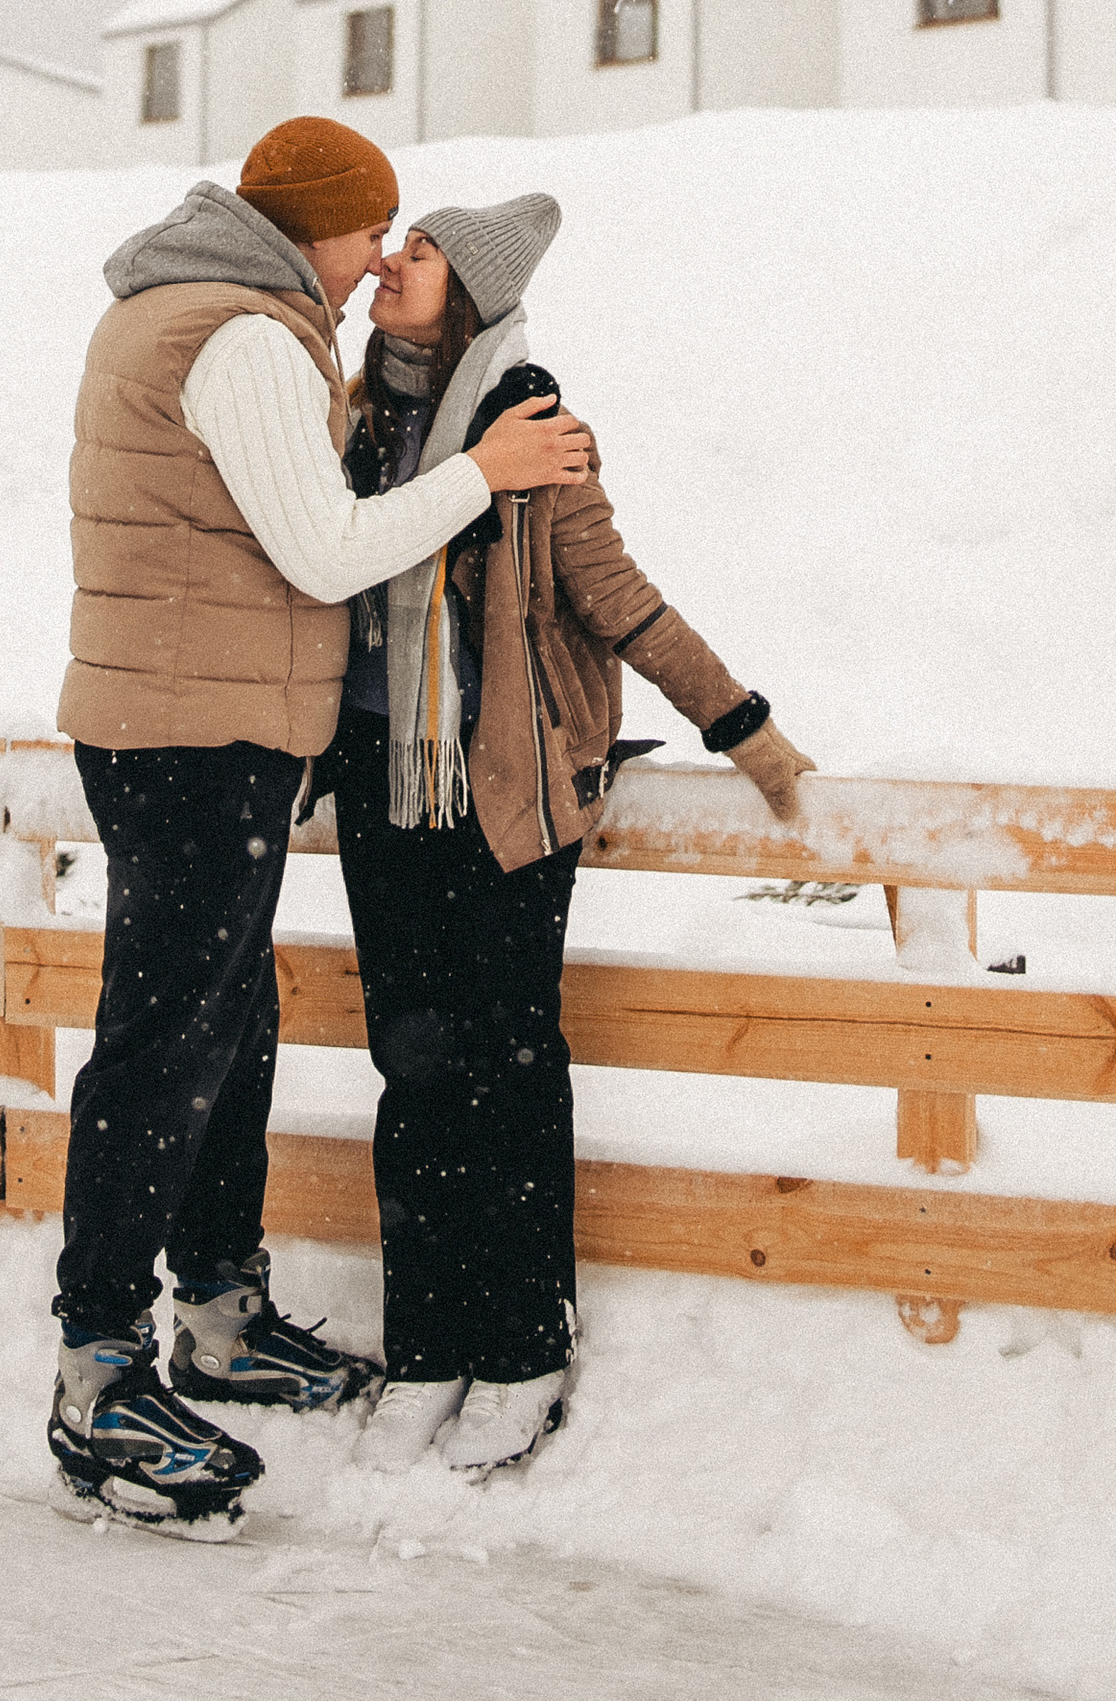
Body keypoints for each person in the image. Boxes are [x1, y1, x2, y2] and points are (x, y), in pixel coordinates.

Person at [46, 116, 594, 1529]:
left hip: (201, 730)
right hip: (191, 738)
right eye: (368, 233)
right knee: (166, 1039)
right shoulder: (238, 335)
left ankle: (221, 1314)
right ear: (314, 223)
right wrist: (487, 474)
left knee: (226, 1025)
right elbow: (326, 547)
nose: (372, 267)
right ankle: (100, 1365)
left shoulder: (198, 310)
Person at [328, 192, 812, 1480]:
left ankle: (523, 1341)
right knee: (412, 1069)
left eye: (418, 251)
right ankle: (426, 1345)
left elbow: (616, 597)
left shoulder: (531, 424)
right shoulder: (358, 418)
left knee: (507, 1068)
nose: (389, 261)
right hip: (383, 792)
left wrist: (742, 726)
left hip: (506, 798)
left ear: (471, 291)